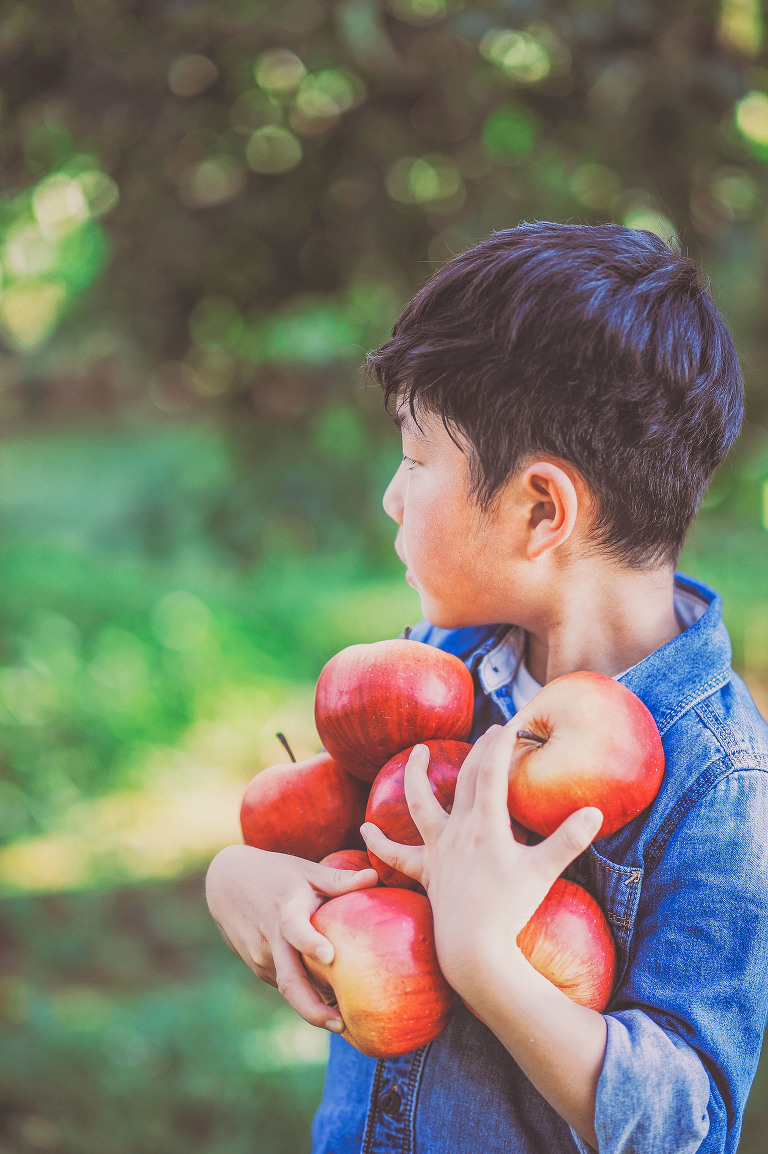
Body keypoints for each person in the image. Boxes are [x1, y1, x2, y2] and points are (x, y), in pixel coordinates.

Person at [205, 223, 768, 1154]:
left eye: (418, 458)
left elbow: (686, 1121)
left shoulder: (720, 786)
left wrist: (486, 963)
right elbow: (347, 856)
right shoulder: (438, 670)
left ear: (541, 509)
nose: (392, 495)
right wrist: (247, 880)